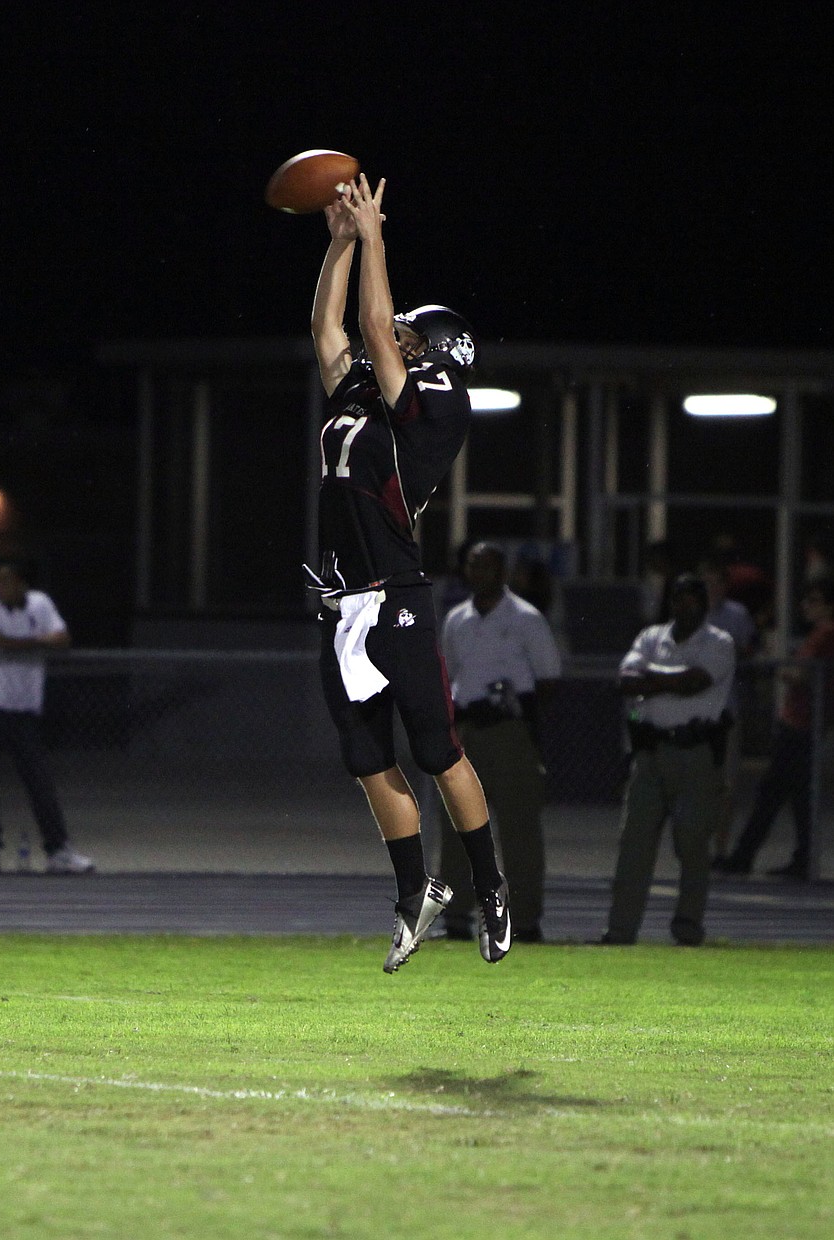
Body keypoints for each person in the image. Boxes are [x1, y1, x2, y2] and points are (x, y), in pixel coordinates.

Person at [307, 173, 510, 973]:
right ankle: (411, 892)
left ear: (443, 352)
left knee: (435, 750)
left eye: (415, 336)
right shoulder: (364, 387)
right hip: (340, 601)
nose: (398, 335)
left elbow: (371, 324)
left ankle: (490, 886)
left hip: (394, 593)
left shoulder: (439, 396)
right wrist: (339, 242)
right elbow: (329, 325)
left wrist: (376, 235)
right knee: (366, 758)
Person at [600, 574, 735, 945]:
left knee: (692, 844)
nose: (685, 605)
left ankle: (688, 926)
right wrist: (669, 680)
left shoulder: (718, 641)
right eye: (679, 598)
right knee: (634, 843)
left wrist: (652, 678)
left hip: (695, 752)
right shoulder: (651, 637)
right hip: (650, 751)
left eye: (692, 598)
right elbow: (626, 679)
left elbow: (696, 682)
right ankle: (621, 929)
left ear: (704, 602)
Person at [438, 542, 561, 943]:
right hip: (468, 730)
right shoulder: (457, 619)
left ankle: (525, 919)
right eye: (473, 565)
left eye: (488, 566)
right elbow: (450, 678)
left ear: (503, 571)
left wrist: (526, 726)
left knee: (518, 828)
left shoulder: (526, 619)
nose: (480, 573)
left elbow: (548, 680)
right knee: (460, 826)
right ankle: (457, 915)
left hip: (509, 731)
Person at [714, 576, 834, 881]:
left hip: (800, 724)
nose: (806, 607)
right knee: (793, 795)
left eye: (814, 601)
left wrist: (781, 667)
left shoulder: (825, 634)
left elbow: (802, 674)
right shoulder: (819, 635)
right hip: (801, 722)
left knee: (773, 792)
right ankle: (797, 856)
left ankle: (746, 855)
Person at [0, 562, 95, 874]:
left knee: (39, 782)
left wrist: (33, 643)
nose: (0, 589)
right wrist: (37, 642)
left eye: (7, 583)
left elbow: (63, 639)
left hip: (26, 711)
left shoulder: (40, 603)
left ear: (21, 585)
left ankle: (58, 850)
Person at [699, 555, 759, 863]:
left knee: (726, 783)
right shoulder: (689, 615)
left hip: (726, 709)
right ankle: (695, 843)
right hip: (694, 711)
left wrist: (735, 650)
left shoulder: (736, 615)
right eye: (706, 583)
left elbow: (750, 650)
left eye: (717, 583)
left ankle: (720, 848)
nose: (712, 589)